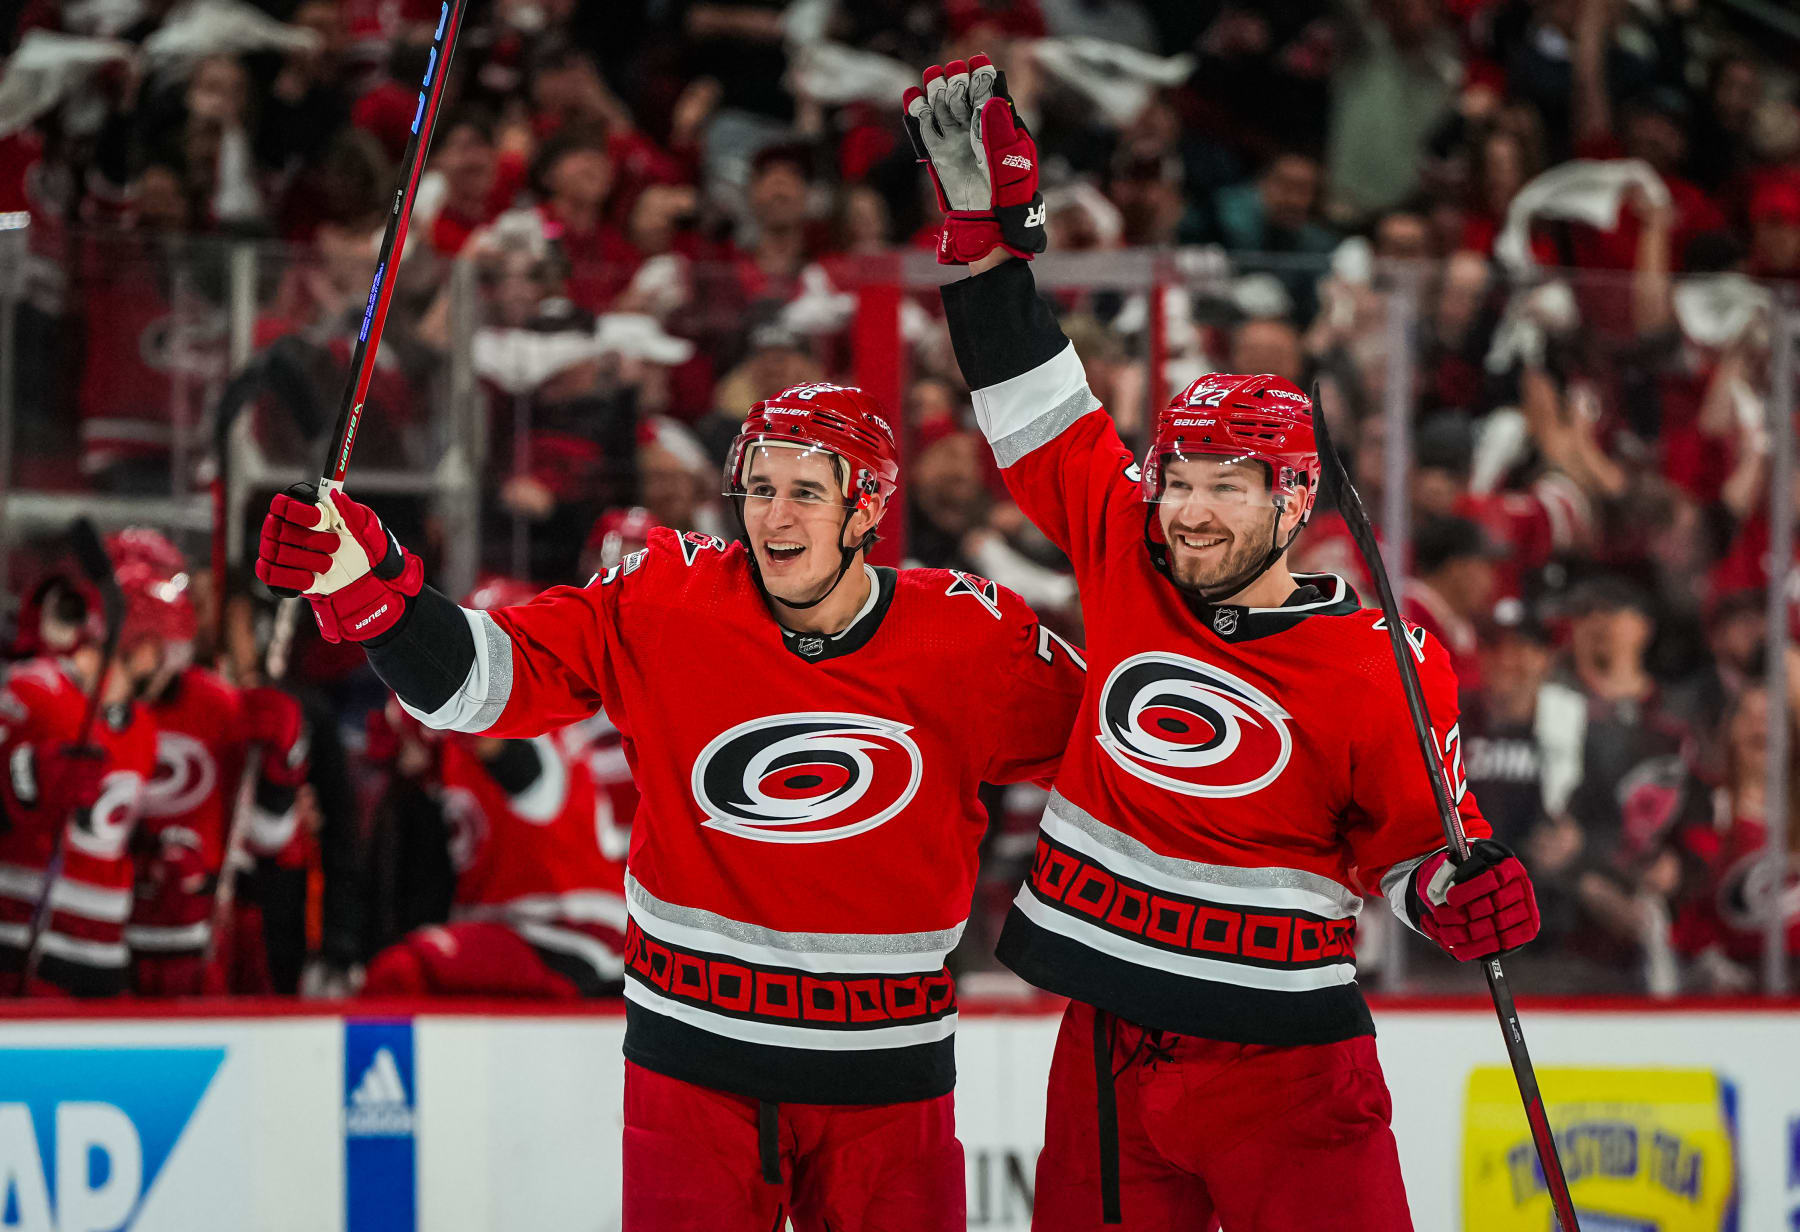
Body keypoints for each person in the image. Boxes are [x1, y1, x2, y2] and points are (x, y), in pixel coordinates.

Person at [905, 55, 1540, 1229]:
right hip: (1105, 1047)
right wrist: (986, 243)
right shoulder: (1130, 550)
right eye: (1178, 478)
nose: (1187, 509)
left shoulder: (1379, 657)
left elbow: (1414, 848)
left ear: (1296, 502)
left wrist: (1465, 889)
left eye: (1226, 488)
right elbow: (1035, 404)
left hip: (1287, 1067)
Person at [254, 382, 1085, 1230]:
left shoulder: (968, 638)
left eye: (806, 492)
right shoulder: (666, 600)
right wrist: (371, 590)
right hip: (692, 1066)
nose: (776, 517)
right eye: (761, 489)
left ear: (865, 506)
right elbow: (480, 684)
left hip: (888, 1074)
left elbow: (1125, 758)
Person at [362, 576, 631, 999]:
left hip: (572, 928)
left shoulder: (544, 727)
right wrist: (411, 764)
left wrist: (435, 709)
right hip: (506, 928)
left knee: (400, 971)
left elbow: (523, 772)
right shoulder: (459, 748)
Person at [107, 529, 311, 996]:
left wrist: (283, 765)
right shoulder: (85, 707)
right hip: (103, 941)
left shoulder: (218, 705)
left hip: (203, 944)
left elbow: (267, 837)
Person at [0, 560, 162, 996]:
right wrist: (25, 781)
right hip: (21, 943)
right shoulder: (30, 691)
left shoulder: (143, 727)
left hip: (104, 954)